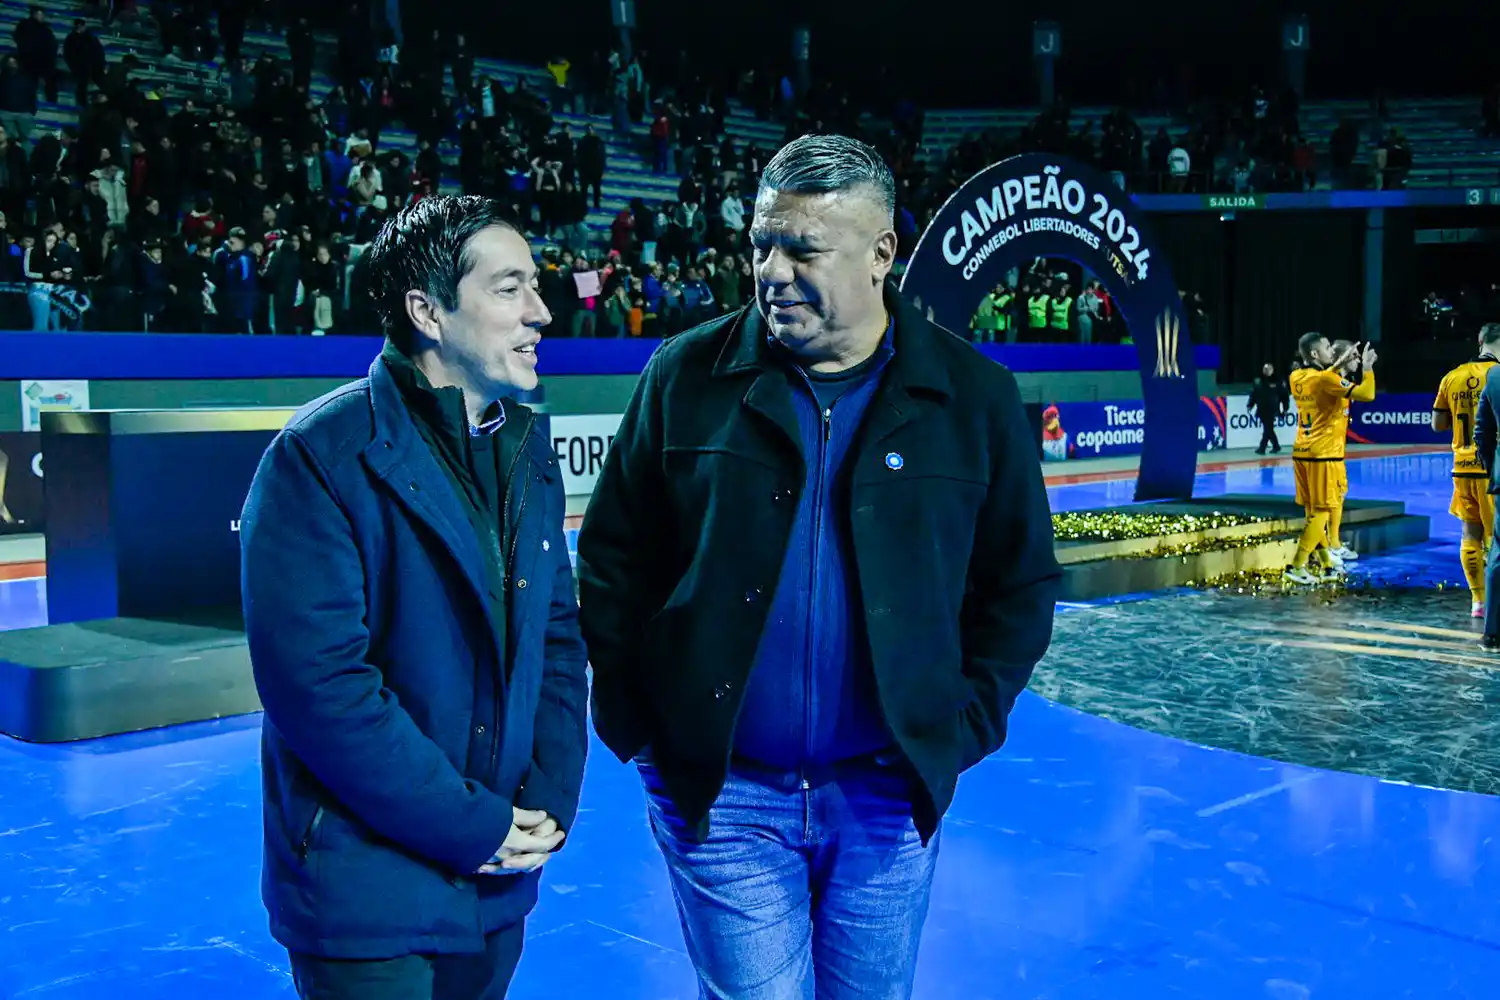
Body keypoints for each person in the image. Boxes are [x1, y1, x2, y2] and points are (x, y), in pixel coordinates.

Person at [576, 133, 1062, 998]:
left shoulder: (975, 397)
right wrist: (644, 728)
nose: (770, 270)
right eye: (762, 242)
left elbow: (1018, 584)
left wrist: (960, 727)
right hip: (723, 799)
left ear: (881, 256)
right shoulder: (683, 376)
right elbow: (615, 558)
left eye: (803, 249)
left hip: (885, 797)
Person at [239, 195, 589, 1000]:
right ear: (427, 312)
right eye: (509, 289)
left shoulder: (530, 453)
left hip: (500, 876)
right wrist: (472, 826)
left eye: (535, 286)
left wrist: (543, 804)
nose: (540, 313)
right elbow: (321, 689)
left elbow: (558, 643)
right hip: (368, 898)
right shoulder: (319, 458)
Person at [1285, 332, 1375, 585]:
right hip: (1324, 454)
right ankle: (1297, 565)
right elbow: (1367, 394)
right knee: (1322, 512)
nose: (1330, 352)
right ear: (1315, 354)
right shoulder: (1326, 378)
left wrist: (1336, 365)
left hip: (1302, 452)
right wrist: (1367, 368)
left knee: (1314, 513)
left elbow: (1323, 377)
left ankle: (1326, 564)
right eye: (1326, 348)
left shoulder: (1297, 376)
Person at [1432, 323, 1500, 618]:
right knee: (1496, 539)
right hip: (1492, 468)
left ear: (1480, 341)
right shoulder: (1497, 377)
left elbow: (1438, 425)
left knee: (1470, 533)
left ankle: (1478, 601)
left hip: (1462, 468)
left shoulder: (1451, 376)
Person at [1248, 362, 1289, 455]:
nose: (1266, 371)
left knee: (1268, 428)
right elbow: (1254, 394)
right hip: (1262, 408)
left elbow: (1284, 396)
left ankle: (1262, 447)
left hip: (1272, 409)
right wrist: (1250, 405)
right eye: (1265, 369)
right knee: (1268, 428)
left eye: (1268, 369)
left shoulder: (1277, 381)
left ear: (1272, 370)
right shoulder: (1259, 382)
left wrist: (1285, 408)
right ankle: (1276, 446)